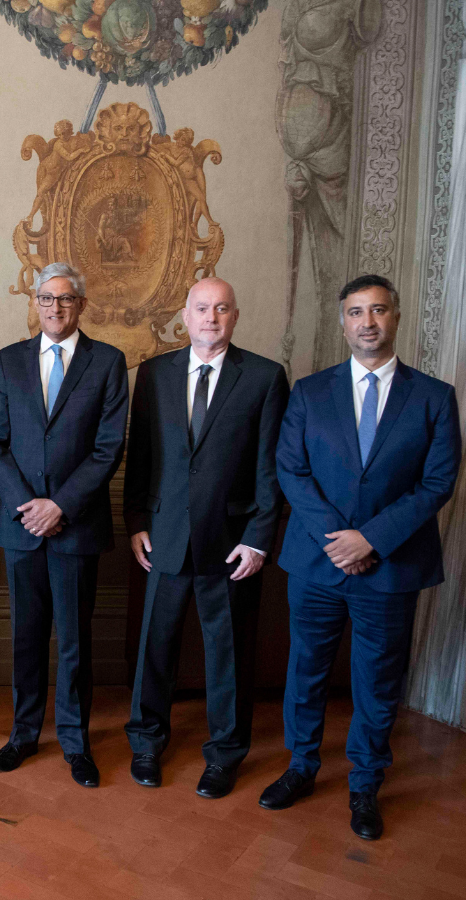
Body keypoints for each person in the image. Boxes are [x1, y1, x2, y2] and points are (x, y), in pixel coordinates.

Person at [261, 274, 460, 840]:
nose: (366, 322)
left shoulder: (434, 397)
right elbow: (291, 470)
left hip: (391, 566)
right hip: (317, 562)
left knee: (378, 680)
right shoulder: (309, 391)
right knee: (306, 671)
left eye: (377, 311)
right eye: (355, 312)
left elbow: (437, 482)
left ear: (396, 317)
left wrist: (371, 539)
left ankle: (365, 784)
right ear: (343, 321)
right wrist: (338, 538)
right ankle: (301, 767)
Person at [122, 278, 288, 798]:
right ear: (186, 316)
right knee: (155, 645)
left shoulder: (263, 377)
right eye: (201, 308)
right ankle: (147, 743)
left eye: (221, 308)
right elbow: (142, 456)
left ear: (235, 316)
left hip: (231, 543)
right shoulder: (153, 374)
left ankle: (224, 754)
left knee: (229, 653)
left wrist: (260, 538)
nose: (211, 317)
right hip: (164, 537)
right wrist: (135, 522)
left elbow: (271, 467)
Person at [0, 262, 128, 787]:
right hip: (20, 526)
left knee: (74, 641)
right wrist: (28, 505)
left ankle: (75, 742)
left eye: (65, 299)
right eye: (46, 299)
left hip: (76, 525)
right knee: (25, 636)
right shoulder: (8, 362)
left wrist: (59, 505)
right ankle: (23, 735)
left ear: (81, 305)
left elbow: (109, 447)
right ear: (35, 303)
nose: (55, 308)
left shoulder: (108, 362)